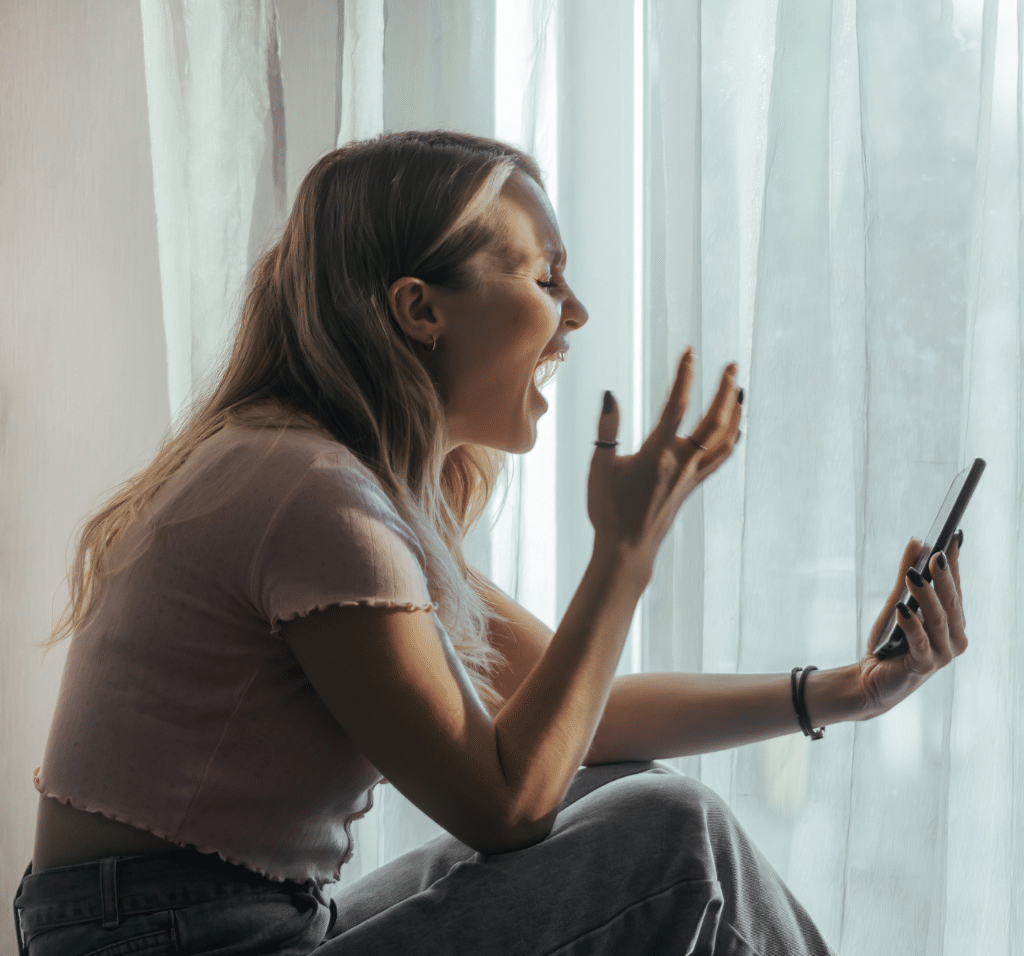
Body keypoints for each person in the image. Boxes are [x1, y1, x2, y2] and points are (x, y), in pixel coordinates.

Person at [13, 130, 967, 956]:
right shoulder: (311, 497)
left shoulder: (324, 482)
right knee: (672, 836)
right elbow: (506, 805)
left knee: (625, 792)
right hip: (172, 939)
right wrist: (620, 556)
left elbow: (577, 723)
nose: (576, 314)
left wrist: (846, 689)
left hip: (214, 925)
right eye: (545, 277)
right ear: (420, 309)